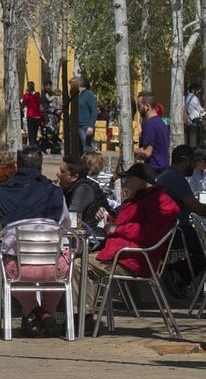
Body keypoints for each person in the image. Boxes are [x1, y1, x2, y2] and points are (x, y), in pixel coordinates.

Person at [79, 163, 180, 319]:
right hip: (121, 255)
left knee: (78, 265)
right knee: (73, 261)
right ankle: (75, 317)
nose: (124, 182)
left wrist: (117, 229)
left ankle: (80, 318)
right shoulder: (138, 199)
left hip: (134, 259)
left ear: (141, 181)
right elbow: (126, 224)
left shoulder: (161, 203)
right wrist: (109, 218)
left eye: (128, 178)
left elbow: (150, 233)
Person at [0, 147, 69, 337]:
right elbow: (65, 224)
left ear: (18, 166)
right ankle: (46, 313)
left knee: (4, 259)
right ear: (41, 166)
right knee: (61, 256)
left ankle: (38, 313)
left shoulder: (1, 193)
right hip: (55, 269)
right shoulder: (55, 192)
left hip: (19, 270)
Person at [155, 144, 206, 286]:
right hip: (177, 233)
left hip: (168, 230)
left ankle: (178, 278)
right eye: (193, 162)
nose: (195, 166)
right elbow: (197, 208)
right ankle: (174, 273)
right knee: (203, 256)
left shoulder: (166, 175)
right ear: (186, 161)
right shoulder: (176, 179)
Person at [57, 154, 109, 227]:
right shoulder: (69, 188)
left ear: (74, 177)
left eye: (62, 172)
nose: (58, 174)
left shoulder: (84, 189)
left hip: (94, 234)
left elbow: (72, 218)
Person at [135, 90, 170, 172]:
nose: (138, 110)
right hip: (163, 170)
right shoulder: (161, 124)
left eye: (139, 106)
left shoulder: (149, 124)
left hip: (153, 171)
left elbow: (147, 152)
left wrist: (130, 150)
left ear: (147, 107)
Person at [70, 76, 98, 153]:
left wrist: (91, 126)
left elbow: (94, 111)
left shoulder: (89, 95)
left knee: (87, 148)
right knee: (78, 149)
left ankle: (89, 163)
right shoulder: (75, 96)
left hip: (85, 126)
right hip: (76, 126)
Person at [21, 81, 43, 147]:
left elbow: (23, 105)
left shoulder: (27, 95)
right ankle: (34, 146)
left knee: (31, 133)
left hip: (30, 115)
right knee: (35, 132)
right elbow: (40, 103)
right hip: (37, 116)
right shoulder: (37, 94)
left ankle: (32, 146)